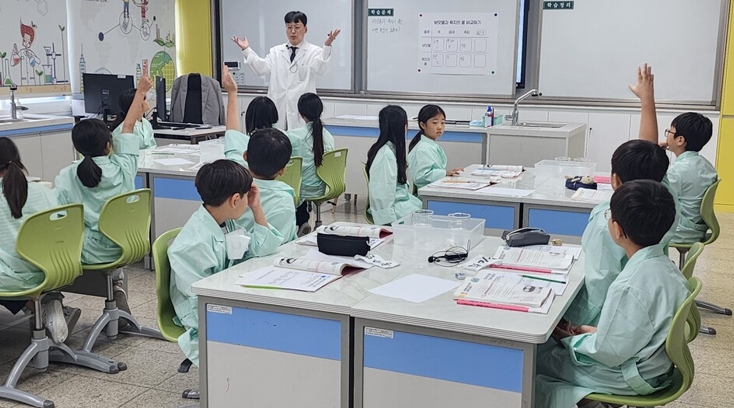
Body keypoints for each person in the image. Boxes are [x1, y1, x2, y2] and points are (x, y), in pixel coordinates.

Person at [535, 179, 689, 408]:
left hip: (630, 375)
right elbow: (632, 332)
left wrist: (571, 341)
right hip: (655, 367)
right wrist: (591, 332)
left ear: (617, 229)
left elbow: (607, 353)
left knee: (535, 362)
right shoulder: (668, 269)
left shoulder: (627, 285)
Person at [55, 75, 153, 323]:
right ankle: (115, 284)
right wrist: (140, 90)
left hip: (87, 252)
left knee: (46, 248)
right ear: (110, 145)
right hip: (127, 244)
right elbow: (128, 126)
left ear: (78, 149)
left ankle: (53, 305)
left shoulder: (67, 175)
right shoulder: (123, 168)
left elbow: (61, 216)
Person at [169, 160, 282, 366]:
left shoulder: (225, 223)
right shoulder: (193, 244)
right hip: (202, 310)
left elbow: (262, 247)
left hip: (225, 295)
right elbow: (200, 300)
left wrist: (256, 208)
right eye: (247, 196)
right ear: (235, 199)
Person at [563, 139, 678, 327]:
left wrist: (570, 323)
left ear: (615, 179)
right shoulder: (665, 206)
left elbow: (598, 284)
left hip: (608, 317)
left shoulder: (608, 223)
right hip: (647, 303)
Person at [0, 138, 81, 343]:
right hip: (55, 268)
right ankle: (46, 304)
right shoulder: (43, 191)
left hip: (14, 279)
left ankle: (41, 307)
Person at [629, 63, 718, 243]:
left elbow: (652, 186)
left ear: (680, 140)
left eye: (670, 132)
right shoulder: (705, 165)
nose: (667, 135)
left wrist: (652, 153)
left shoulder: (679, 171)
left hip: (682, 231)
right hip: (696, 227)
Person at [221, 66, 298, 243]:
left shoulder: (235, 174)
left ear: (245, 156)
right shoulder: (284, 200)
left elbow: (232, 131)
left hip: (234, 251)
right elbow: (282, 245)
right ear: (282, 170)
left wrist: (232, 93)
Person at [232, 11, 341, 130]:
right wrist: (247, 50)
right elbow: (261, 69)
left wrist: (327, 46)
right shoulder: (276, 51)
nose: (293, 31)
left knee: (300, 138)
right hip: (279, 108)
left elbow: (321, 69)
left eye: (297, 27)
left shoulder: (313, 51)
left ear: (305, 29)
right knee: (277, 138)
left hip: (302, 113)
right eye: (289, 27)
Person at [366, 105, 422, 225]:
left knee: (427, 209)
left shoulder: (391, 150)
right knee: (427, 218)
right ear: (404, 127)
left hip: (400, 203)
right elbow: (382, 194)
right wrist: (388, 224)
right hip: (393, 211)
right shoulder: (386, 155)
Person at [287, 92, 335, 232]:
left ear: (301, 114)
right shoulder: (328, 137)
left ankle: (300, 221)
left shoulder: (294, 136)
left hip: (302, 189)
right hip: (324, 187)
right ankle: (303, 221)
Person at [407, 104, 463, 194]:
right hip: (426, 194)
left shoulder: (430, 145)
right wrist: (445, 173)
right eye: (435, 123)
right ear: (423, 125)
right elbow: (421, 177)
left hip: (434, 190)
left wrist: (450, 172)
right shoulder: (422, 149)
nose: (440, 127)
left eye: (442, 123)